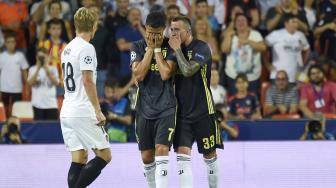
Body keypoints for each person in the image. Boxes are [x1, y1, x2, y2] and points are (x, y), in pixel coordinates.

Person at [169, 16, 223, 188]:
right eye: (171, 29)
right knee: (182, 156)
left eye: (177, 29)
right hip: (181, 114)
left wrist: (177, 50)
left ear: (188, 31)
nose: (173, 33)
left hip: (203, 111)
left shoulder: (202, 48)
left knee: (210, 156)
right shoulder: (170, 50)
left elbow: (187, 70)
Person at [59, 7, 111, 188]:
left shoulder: (67, 48)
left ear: (75, 26)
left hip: (67, 110)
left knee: (79, 157)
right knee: (105, 155)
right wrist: (98, 110)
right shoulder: (87, 48)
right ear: (94, 26)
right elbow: (88, 81)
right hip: (82, 110)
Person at [130, 11, 176, 188]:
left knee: (162, 150)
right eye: (150, 32)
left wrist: (157, 48)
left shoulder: (171, 47)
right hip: (144, 108)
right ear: (145, 28)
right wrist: (150, 48)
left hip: (166, 107)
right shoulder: (137, 46)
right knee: (147, 157)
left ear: (163, 30)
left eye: (157, 34)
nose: (153, 36)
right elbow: (139, 74)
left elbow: (165, 74)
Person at [221, 13, 266, 96]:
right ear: (234, 24)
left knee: (252, 104)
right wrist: (228, 35)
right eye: (238, 20)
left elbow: (263, 48)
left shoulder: (255, 34)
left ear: (247, 23)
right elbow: (225, 50)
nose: (240, 22)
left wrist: (248, 42)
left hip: (252, 77)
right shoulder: (231, 35)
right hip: (233, 77)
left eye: (243, 20)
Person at [265, 14, 310, 84]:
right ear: (286, 24)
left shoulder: (301, 35)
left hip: (294, 76)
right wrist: (267, 64)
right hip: (277, 75)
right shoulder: (276, 34)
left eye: (297, 22)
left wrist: (303, 64)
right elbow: (263, 47)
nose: (296, 24)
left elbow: (307, 49)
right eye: (293, 22)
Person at [0, 32, 29, 117]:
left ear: (15, 43)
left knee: (16, 110)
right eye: (8, 42)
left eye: (12, 42)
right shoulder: (1, 56)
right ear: (5, 43)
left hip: (17, 88)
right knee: (4, 110)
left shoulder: (20, 56)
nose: (11, 44)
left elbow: (24, 72)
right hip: (4, 88)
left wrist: (27, 87)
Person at [27, 48, 59, 121]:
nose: (41, 59)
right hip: (37, 105)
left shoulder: (53, 69)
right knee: (38, 129)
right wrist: (38, 69)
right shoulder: (32, 69)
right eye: (39, 57)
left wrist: (46, 68)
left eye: (43, 57)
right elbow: (30, 83)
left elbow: (56, 83)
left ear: (47, 57)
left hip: (51, 105)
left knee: (51, 129)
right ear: (36, 57)